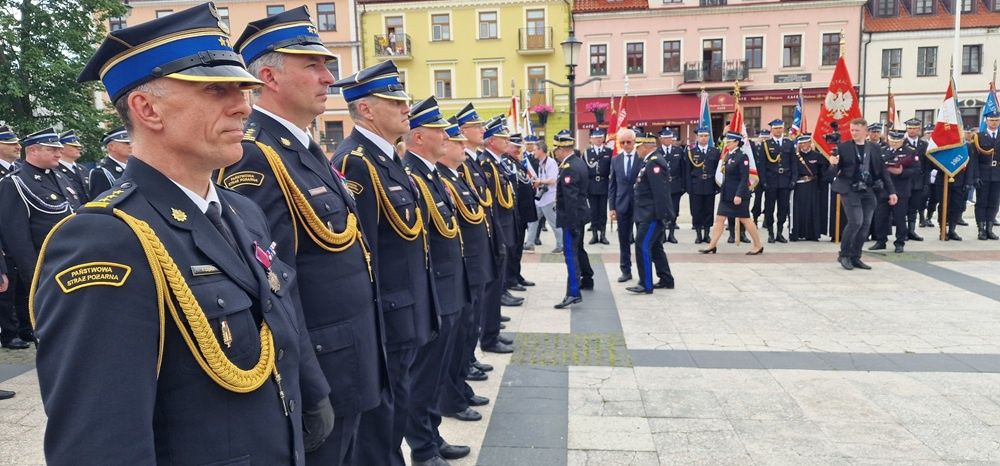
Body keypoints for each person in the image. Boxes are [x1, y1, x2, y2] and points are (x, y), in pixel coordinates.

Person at [33, 4, 334, 463]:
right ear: (147, 108)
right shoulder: (106, 240)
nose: (243, 105)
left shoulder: (241, 210)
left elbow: (278, 312)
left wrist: (313, 393)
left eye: (244, 88)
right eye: (217, 89)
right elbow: (100, 443)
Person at [219, 8, 386, 465]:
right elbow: (272, 286)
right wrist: (307, 386)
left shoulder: (305, 149)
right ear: (269, 76)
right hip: (321, 364)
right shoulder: (255, 156)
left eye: (326, 65)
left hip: (350, 353)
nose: (328, 78)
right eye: (312, 65)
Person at [331, 60, 438, 465]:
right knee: (379, 428)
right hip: (388, 316)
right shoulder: (355, 161)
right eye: (395, 102)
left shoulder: (389, 159)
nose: (405, 109)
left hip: (406, 310)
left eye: (405, 101)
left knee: (397, 411)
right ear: (367, 110)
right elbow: (365, 253)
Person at [401, 97, 472, 466]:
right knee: (424, 377)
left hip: (447, 287)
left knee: (436, 373)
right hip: (433, 290)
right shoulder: (412, 173)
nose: (446, 135)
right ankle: (422, 448)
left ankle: (432, 435)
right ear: (417, 137)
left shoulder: (429, 173)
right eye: (437, 130)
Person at [436, 115, 492, 431]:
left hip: (469, 267)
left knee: (466, 335)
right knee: (454, 343)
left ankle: (461, 390)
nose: (459, 147)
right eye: (454, 142)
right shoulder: (440, 178)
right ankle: (452, 398)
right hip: (458, 271)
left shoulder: (454, 176)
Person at [456, 103, 512, 381]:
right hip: (471, 251)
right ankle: (471, 357)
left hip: (487, 237)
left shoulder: (474, 163)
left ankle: (473, 355)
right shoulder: (464, 164)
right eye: (476, 126)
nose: (483, 130)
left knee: (478, 307)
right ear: (463, 132)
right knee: (471, 311)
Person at [830, 118, 898, 270]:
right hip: (849, 189)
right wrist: (833, 163)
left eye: (857, 130)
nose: (853, 133)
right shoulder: (844, 147)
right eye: (852, 130)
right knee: (856, 222)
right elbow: (832, 173)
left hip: (868, 190)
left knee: (865, 225)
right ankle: (844, 255)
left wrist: (891, 191)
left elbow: (882, 171)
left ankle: (856, 256)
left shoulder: (874, 148)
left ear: (865, 132)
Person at [698, 131, 765, 255]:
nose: (727, 143)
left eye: (729, 141)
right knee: (719, 219)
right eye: (726, 141)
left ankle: (758, 245)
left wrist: (739, 194)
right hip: (727, 194)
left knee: (746, 220)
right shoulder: (729, 155)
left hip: (738, 195)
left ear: (736, 142)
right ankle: (712, 245)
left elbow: (744, 178)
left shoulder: (742, 156)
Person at [626, 131, 675, 293]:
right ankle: (666, 279)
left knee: (642, 245)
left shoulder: (654, 163)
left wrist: (662, 216)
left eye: (638, 147)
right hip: (646, 213)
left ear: (646, 147)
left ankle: (645, 283)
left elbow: (660, 192)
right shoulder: (649, 161)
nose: (636, 150)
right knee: (655, 247)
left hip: (652, 215)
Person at [552, 130, 592, 309]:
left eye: (556, 149)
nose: (555, 152)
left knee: (571, 255)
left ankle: (573, 292)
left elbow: (570, 199)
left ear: (562, 149)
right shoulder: (577, 162)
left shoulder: (569, 167)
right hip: (578, 215)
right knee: (577, 250)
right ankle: (586, 278)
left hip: (572, 218)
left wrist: (572, 223)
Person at [0, 125, 30, 351]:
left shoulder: (19, 169)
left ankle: (22, 327)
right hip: (3, 244)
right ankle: (9, 334)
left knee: (21, 290)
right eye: (11, 144)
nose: (18, 147)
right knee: (6, 293)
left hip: (17, 239)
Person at [870, 130, 919, 253]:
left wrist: (902, 172)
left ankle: (900, 242)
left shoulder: (910, 152)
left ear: (902, 141)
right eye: (892, 141)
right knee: (880, 216)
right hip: (883, 189)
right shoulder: (882, 150)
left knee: (899, 217)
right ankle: (881, 240)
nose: (894, 144)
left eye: (897, 142)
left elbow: (917, 170)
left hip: (901, 189)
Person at [504, 133, 537, 293]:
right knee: (513, 248)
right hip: (515, 213)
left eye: (519, 147)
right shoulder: (506, 162)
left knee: (518, 248)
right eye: (515, 147)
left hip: (522, 213)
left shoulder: (518, 162)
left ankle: (516, 275)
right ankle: (510, 278)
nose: (518, 150)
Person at [608, 128, 639, 283]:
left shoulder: (641, 158)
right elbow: (612, 184)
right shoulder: (616, 160)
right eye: (623, 142)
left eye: (629, 142)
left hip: (640, 205)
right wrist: (612, 207)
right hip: (622, 204)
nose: (626, 145)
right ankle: (625, 270)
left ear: (634, 142)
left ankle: (643, 270)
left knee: (641, 240)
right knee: (624, 239)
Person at [760, 119, 795, 243]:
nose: (778, 130)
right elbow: (762, 165)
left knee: (783, 208)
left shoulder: (789, 144)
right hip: (771, 181)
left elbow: (793, 163)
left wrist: (793, 180)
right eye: (775, 128)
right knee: (769, 208)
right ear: (771, 130)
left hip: (785, 181)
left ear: (783, 129)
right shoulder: (766, 144)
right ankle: (770, 233)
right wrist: (763, 181)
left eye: (780, 128)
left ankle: (779, 233)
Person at [790, 135, 829, 241]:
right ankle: (797, 233)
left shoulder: (817, 156)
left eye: (805, 143)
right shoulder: (795, 156)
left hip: (812, 186)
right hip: (799, 185)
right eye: (801, 143)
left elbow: (823, 172)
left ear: (810, 143)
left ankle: (812, 234)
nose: (803, 145)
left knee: (813, 209)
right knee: (799, 210)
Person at [527, 140, 562, 253]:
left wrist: (540, 181)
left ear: (541, 150)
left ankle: (560, 245)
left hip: (549, 199)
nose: (533, 152)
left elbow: (553, 180)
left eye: (535, 149)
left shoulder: (550, 163)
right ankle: (529, 243)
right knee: (532, 221)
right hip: (540, 198)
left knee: (554, 223)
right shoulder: (540, 162)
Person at [687, 127, 720, 243]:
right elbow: (687, 171)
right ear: (697, 137)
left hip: (710, 185)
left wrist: (717, 187)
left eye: (706, 136)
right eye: (701, 136)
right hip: (696, 185)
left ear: (709, 137)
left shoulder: (715, 152)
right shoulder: (691, 152)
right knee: (696, 211)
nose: (703, 138)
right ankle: (698, 234)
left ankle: (707, 233)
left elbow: (718, 170)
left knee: (708, 210)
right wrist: (688, 187)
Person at [973, 110, 1000, 240]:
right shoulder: (979, 136)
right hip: (983, 173)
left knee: (994, 202)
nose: (994, 123)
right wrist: (975, 176)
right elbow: (974, 160)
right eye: (991, 120)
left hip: (997, 174)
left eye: (996, 120)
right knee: (981, 202)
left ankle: (989, 229)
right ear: (986, 121)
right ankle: (981, 229)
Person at [584, 128, 611, 244]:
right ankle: (595, 234)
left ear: (604, 138)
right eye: (596, 137)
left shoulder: (609, 152)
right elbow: (584, 171)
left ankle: (603, 234)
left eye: (600, 137)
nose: (598, 139)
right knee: (593, 211)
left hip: (604, 184)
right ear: (591, 139)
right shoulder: (587, 153)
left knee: (603, 211)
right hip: (591, 185)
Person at [88, 126, 131, 199]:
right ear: (111, 147)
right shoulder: (101, 173)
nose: (131, 146)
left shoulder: (134, 168)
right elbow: (100, 205)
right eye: (127, 143)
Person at [903, 118, 929, 238]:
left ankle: (911, 231)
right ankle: (902, 231)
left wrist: (926, 182)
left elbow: (927, 165)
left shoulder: (924, 144)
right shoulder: (902, 143)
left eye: (915, 128)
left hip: (919, 181)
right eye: (910, 128)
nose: (912, 131)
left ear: (919, 130)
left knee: (914, 207)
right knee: (903, 208)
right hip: (904, 180)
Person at [659, 128, 685, 243]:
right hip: (662, 186)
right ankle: (663, 234)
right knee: (663, 210)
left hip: (675, 185)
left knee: (674, 210)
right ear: (661, 139)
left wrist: (683, 186)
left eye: (670, 138)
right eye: (666, 138)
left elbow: (683, 168)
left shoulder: (678, 151)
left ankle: (672, 233)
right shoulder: (657, 152)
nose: (668, 140)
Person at [57, 130, 90, 203]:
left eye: (78, 145)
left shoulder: (83, 169)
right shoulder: (55, 170)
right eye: (74, 146)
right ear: (61, 149)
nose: (79, 148)